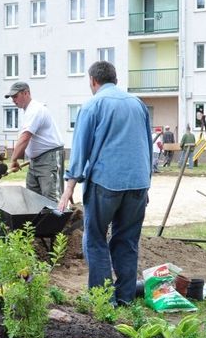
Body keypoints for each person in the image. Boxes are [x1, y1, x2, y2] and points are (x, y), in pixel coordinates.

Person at [58, 61, 152, 305]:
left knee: (96, 238)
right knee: (127, 241)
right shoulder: (138, 104)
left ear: (93, 81)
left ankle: (103, 300)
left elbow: (80, 149)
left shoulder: (93, 105)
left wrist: (69, 187)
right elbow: (148, 148)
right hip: (138, 184)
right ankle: (125, 298)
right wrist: (146, 184)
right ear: (116, 80)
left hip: (106, 183)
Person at [5, 81, 64, 200]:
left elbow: (25, 138)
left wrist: (14, 160)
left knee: (51, 198)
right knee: (32, 198)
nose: (13, 100)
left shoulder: (36, 110)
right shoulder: (26, 112)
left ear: (26, 93)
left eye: (15, 96)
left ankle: (58, 219)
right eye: (12, 97)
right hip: (35, 161)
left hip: (49, 159)